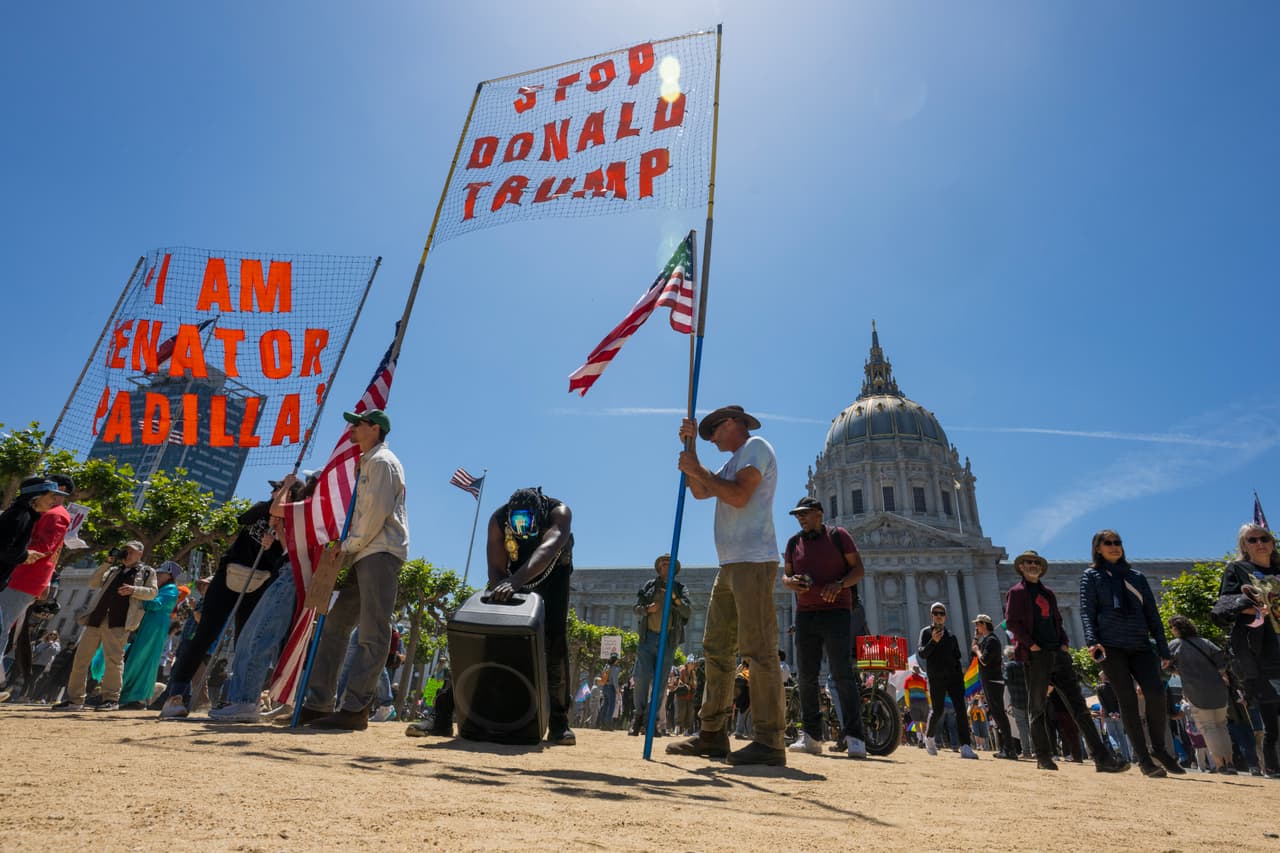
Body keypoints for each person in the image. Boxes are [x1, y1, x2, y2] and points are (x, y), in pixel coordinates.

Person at [668, 405, 786, 767]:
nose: (712, 438)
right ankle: (712, 734)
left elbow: (737, 495)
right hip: (730, 563)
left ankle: (769, 740)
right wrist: (691, 453)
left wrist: (697, 466)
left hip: (753, 560)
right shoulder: (735, 459)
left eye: (713, 432)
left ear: (731, 424)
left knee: (758, 648)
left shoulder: (756, 448)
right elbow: (703, 491)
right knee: (716, 647)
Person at [298, 409, 408, 731]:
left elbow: (375, 513)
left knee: (373, 630)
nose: (352, 428)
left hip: (379, 551)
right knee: (336, 624)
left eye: (357, 423)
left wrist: (346, 547)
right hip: (365, 551)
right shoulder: (368, 463)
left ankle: (356, 708)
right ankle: (318, 703)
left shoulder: (381, 462)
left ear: (374, 429)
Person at [160, 479, 289, 717]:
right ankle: (175, 695)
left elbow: (287, 553)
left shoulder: (291, 520)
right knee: (205, 633)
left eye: (280, 489)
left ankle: (238, 698)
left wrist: (278, 535)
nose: (274, 491)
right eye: (275, 489)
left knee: (246, 641)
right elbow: (244, 519)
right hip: (229, 574)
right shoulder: (263, 507)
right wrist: (274, 503)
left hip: (259, 580)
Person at [1006, 548, 1128, 773]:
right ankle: (1043, 757)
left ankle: (1102, 758)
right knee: (1037, 708)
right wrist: (1031, 645)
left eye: (1036, 563)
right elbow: (1012, 622)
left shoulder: (1048, 593)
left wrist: (1064, 643)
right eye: (1028, 562)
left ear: (1041, 568)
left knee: (1079, 707)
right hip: (1036, 656)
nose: (1033, 565)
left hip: (1058, 654)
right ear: (1021, 567)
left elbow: (1057, 620)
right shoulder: (1016, 592)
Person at [475, 486, 575, 745]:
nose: (520, 527)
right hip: (512, 575)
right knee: (484, 631)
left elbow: (550, 546)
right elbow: (495, 567)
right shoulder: (498, 520)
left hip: (553, 574)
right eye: (516, 521)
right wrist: (500, 595)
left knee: (555, 640)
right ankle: (442, 710)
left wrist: (517, 582)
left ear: (537, 514)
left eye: (526, 521)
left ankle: (559, 721)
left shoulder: (558, 512)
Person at [1080, 531, 1182, 777]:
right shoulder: (1091, 576)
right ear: (1098, 548)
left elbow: (1152, 613)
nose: (1114, 547)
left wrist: (1163, 646)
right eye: (1109, 544)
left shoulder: (1136, 576)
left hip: (1139, 643)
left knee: (1157, 693)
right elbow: (1087, 610)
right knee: (1126, 701)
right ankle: (1144, 759)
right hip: (1111, 645)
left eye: (1118, 543)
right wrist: (1092, 641)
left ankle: (1158, 748)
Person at [780, 496, 869, 759]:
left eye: (804, 513)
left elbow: (858, 570)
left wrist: (840, 584)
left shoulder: (839, 536)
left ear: (819, 513)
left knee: (842, 673)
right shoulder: (793, 543)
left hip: (836, 613)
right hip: (806, 614)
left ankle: (855, 736)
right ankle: (811, 735)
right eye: (797, 515)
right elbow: (785, 577)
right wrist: (791, 582)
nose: (800, 518)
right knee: (806, 676)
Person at [54, 541, 158, 712]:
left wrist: (134, 589)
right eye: (125, 551)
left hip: (120, 621)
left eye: (130, 551)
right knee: (81, 659)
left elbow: (153, 593)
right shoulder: (114, 570)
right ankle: (75, 700)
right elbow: (93, 583)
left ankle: (110, 698)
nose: (126, 554)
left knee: (113, 660)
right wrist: (107, 562)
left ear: (140, 553)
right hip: (97, 618)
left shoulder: (147, 571)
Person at [1214, 522, 1280, 776]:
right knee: (1272, 713)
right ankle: (1273, 766)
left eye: (1264, 538)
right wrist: (1251, 605)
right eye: (1252, 540)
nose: (1259, 543)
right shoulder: (1238, 569)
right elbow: (1223, 606)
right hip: (1262, 648)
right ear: (1244, 545)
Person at [0, 474, 72, 694]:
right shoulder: (33, 513)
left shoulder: (54, 515)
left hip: (22, 577)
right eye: (51, 494)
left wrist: (22, 555)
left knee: (2, 627)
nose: (54, 498)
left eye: (55, 493)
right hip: (19, 576)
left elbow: (43, 547)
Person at [631, 554, 692, 736]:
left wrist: (673, 597)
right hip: (648, 637)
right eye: (664, 564)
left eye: (670, 564)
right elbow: (636, 607)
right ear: (659, 567)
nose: (667, 566)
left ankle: (652, 720)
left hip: (668, 640)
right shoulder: (649, 586)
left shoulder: (680, 588)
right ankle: (639, 715)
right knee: (642, 677)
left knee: (660, 681)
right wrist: (647, 609)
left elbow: (687, 610)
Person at [1167, 615, 1234, 775]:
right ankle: (1230, 762)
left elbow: (1164, 664)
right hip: (1217, 687)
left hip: (1195, 690)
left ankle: (1220, 763)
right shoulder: (1205, 642)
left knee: (1208, 727)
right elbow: (1222, 660)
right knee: (1221, 726)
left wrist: (1177, 671)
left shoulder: (1175, 645)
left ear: (1176, 628)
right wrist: (1218, 672)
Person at [917, 602, 978, 759]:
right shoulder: (925, 633)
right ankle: (929, 737)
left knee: (960, 709)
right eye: (936, 613)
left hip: (954, 678)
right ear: (931, 615)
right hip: (936, 677)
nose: (939, 616)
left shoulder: (951, 636)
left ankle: (965, 746)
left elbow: (957, 657)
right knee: (937, 710)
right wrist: (933, 641)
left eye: (942, 613)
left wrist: (960, 676)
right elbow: (922, 654)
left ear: (945, 616)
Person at [120, 561, 182, 709]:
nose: (158, 575)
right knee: (136, 658)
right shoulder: (161, 587)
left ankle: (137, 698)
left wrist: (138, 594)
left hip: (155, 626)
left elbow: (156, 604)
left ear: (170, 576)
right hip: (149, 624)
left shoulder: (171, 589)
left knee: (143, 660)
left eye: (161, 573)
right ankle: (127, 694)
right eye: (158, 572)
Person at [970, 614, 1015, 759]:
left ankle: (1009, 749)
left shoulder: (992, 640)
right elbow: (973, 651)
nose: (976, 627)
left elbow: (983, 660)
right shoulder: (987, 640)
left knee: (999, 715)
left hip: (993, 681)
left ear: (983, 624)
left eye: (977, 624)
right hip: (989, 681)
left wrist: (978, 650)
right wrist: (976, 640)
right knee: (996, 715)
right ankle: (1005, 748)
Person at [597, 653, 621, 730]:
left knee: (605, 705)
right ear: (615, 660)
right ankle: (608, 724)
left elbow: (602, 677)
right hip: (611, 688)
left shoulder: (606, 666)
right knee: (611, 706)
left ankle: (602, 724)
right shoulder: (615, 668)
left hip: (605, 687)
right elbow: (615, 680)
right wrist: (617, 690)